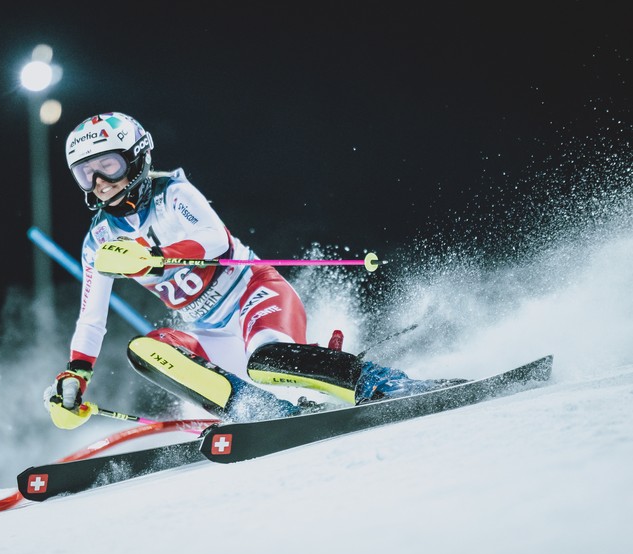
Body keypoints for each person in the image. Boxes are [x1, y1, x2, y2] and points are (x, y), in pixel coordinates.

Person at [43, 112, 457, 430]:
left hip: (254, 296)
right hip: (207, 329)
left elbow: (214, 239)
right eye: (85, 173)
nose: (98, 182)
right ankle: (261, 411)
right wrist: (76, 375)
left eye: (108, 166)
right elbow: (91, 318)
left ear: (135, 159)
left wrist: (156, 255)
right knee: (146, 350)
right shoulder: (97, 241)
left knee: (268, 360)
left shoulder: (174, 193)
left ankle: (383, 383)